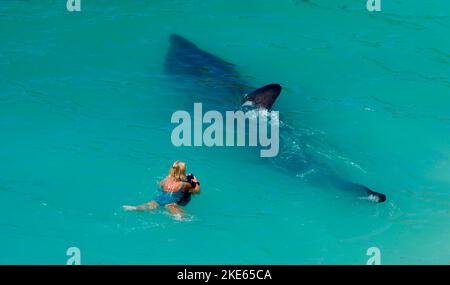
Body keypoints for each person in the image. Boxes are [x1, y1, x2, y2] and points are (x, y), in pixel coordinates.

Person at [122, 161, 200, 217]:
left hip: (159, 199)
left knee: (152, 203)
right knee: (175, 210)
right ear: (183, 172)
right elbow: (197, 191)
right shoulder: (185, 184)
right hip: (171, 203)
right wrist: (196, 182)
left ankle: (135, 208)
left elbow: (160, 187)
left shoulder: (164, 181)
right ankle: (178, 217)